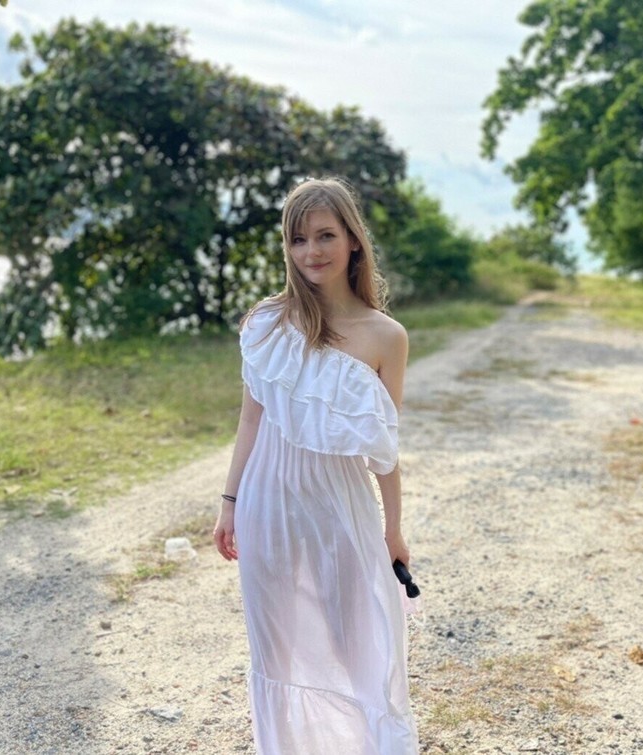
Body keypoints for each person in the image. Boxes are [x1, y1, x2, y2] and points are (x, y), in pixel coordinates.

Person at [213, 176, 420, 753]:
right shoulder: (266, 323)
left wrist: (394, 531)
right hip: (266, 501)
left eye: (326, 235)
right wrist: (229, 503)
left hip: (338, 503)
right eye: (298, 239)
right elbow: (250, 420)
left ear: (353, 239)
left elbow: (384, 447)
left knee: (359, 637)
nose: (312, 251)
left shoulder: (386, 337)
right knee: (276, 649)